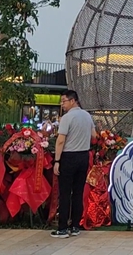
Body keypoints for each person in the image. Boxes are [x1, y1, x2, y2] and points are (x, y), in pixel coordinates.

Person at [51, 90, 97, 239]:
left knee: (65, 193)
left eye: (64, 101)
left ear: (72, 101)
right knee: (78, 193)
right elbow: (94, 135)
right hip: (83, 156)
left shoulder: (67, 118)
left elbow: (60, 141)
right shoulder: (87, 115)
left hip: (68, 157)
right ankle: (75, 226)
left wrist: (57, 161)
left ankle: (63, 228)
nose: (62, 104)